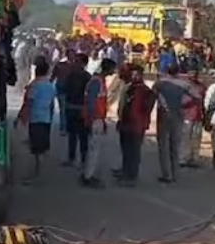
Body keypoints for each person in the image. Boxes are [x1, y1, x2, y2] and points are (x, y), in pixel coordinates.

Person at [114, 65, 157, 187]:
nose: (133, 76)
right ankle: (125, 171)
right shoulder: (130, 88)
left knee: (133, 150)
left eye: (135, 74)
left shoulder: (144, 90)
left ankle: (131, 176)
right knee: (126, 149)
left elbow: (147, 108)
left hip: (136, 124)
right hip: (126, 123)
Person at [15, 57, 56, 183]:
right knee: (41, 146)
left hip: (35, 118)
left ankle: (36, 174)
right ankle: (38, 171)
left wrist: (20, 117)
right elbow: (52, 104)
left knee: (37, 149)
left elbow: (28, 103)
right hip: (46, 118)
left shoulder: (34, 86)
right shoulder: (50, 86)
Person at [81, 58, 117, 188]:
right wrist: (92, 119)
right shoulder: (96, 82)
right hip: (95, 118)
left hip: (97, 118)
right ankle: (88, 176)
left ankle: (88, 174)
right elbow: (91, 102)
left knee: (93, 148)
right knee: (93, 149)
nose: (114, 71)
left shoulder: (98, 81)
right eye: (113, 68)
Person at [152, 63, 189, 184]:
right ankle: (175, 174)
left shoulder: (160, 83)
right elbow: (197, 96)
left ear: (167, 71)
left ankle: (166, 174)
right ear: (178, 72)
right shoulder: (184, 84)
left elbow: (152, 97)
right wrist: (184, 104)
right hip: (178, 114)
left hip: (164, 114)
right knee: (175, 145)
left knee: (163, 145)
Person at [62, 53, 92, 168]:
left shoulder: (87, 77)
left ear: (84, 64)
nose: (75, 64)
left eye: (77, 61)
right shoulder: (71, 75)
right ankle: (72, 158)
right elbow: (65, 90)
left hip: (81, 109)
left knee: (83, 136)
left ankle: (83, 160)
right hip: (71, 108)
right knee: (72, 135)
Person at [180, 59, 207, 168]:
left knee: (196, 138)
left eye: (195, 73)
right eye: (191, 72)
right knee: (185, 137)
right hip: (186, 115)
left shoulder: (202, 86)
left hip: (198, 116)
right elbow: (180, 101)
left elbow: (205, 102)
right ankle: (183, 158)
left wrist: (205, 116)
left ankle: (194, 159)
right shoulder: (183, 86)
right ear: (187, 73)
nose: (193, 75)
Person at [51, 49, 76, 135]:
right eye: (70, 55)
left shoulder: (76, 67)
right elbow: (53, 76)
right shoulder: (60, 65)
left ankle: (68, 127)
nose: (72, 57)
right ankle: (63, 128)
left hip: (72, 91)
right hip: (61, 89)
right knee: (63, 109)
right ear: (67, 55)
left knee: (68, 109)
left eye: (73, 55)